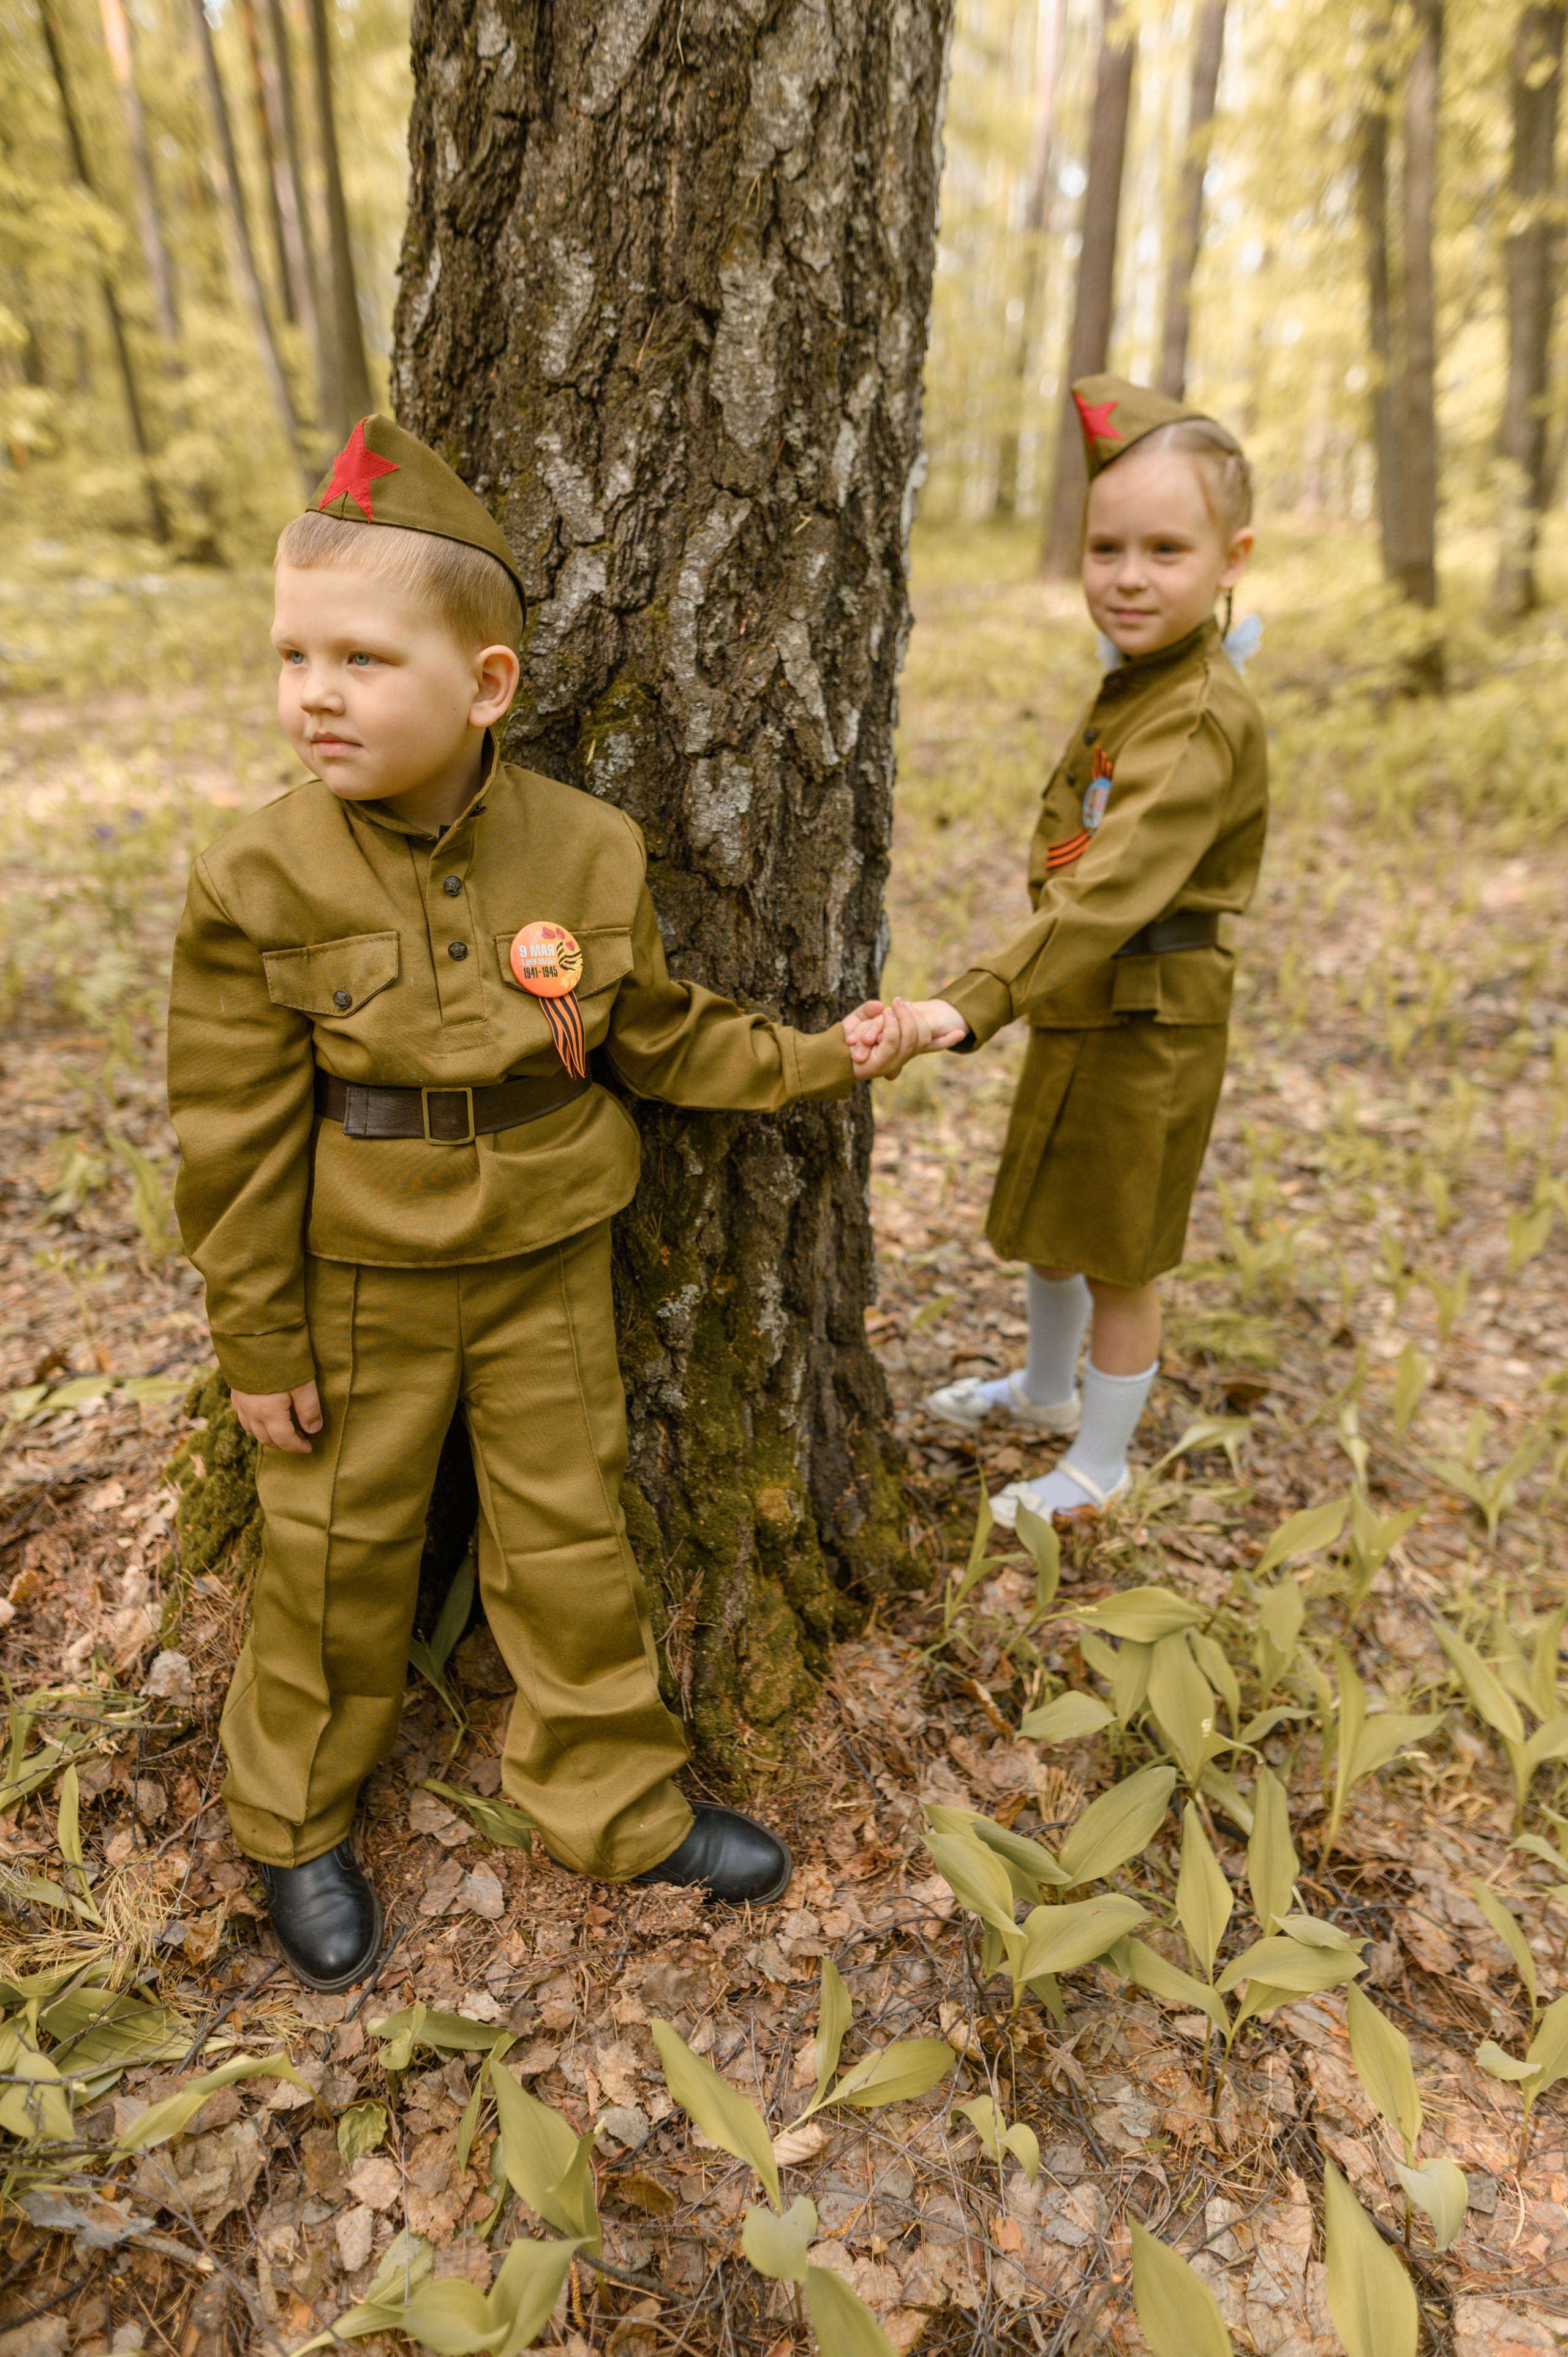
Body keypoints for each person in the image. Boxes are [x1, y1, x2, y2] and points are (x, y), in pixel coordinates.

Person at [167, 415, 927, 1990]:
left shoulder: (583, 849)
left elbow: (652, 1031)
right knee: (334, 1549)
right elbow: (230, 1134)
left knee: (570, 1534)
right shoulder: (254, 878)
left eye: (364, 660)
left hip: (544, 1257)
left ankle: (614, 1797)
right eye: (293, 655)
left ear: (486, 684)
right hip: (358, 1268)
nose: (316, 693)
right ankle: (293, 1816)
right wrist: (258, 1337)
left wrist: (811, 1060)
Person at [858, 376, 1267, 1533]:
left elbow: (1118, 883)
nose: (1129, 576)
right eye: (1107, 546)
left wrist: (966, 1004)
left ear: (1231, 554)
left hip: (1151, 1018)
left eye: (1166, 549)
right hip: (1091, 999)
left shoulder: (1193, 713)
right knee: (1055, 1213)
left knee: (1120, 1250)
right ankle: (1044, 1392)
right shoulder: (1142, 681)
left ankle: (1097, 1464)